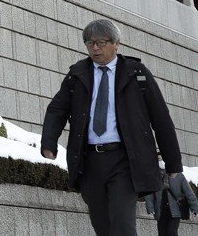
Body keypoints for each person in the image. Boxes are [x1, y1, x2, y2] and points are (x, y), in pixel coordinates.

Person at [41, 19, 183, 236]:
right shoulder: (77, 75)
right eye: (90, 43)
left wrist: (174, 164)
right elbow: (57, 110)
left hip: (125, 161)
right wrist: (49, 143)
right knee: (102, 226)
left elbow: (161, 119)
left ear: (116, 44)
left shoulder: (137, 74)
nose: (95, 48)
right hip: (89, 162)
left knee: (122, 223)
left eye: (101, 42)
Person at [145, 170, 198, 235]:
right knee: (162, 233)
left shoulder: (178, 175)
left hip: (175, 211)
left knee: (171, 232)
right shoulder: (154, 175)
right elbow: (149, 193)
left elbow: (188, 192)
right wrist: (150, 208)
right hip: (160, 211)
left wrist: (195, 209)